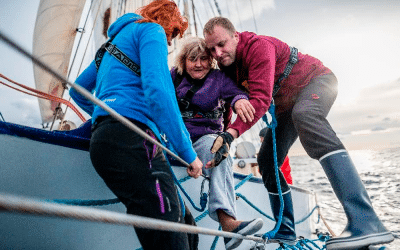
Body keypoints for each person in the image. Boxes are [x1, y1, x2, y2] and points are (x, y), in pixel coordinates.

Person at [203, 17, 394, 249]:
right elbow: (234, 102)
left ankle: (367, 222)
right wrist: (222, 137)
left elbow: (260, 100)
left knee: (306, 116)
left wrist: (232, 133)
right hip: (287, 107)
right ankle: (286, 229)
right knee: (267, 159)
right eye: (212, 49)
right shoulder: (227, 66)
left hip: (316, 81)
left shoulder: (258, 47)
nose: (218, 52)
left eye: (222, 44)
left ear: (236, 36)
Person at [69, 1, 203, 249]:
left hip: (103, 142)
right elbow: (159, 93)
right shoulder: (152, 31)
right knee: (172, 235)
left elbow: (77, 92)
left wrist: (106, 112)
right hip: (133, 140)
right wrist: (188, 153)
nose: (171, 42)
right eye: (173, 33)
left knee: (186, 224)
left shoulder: (109, 47)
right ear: (165, 20)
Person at [171, 36, 263, 250]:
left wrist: (240, 100)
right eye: (192, 59)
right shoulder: (174, 77)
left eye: (203, 58)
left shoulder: (218, 79)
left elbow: (236, 93)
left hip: (205, 141)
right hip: (175, 140)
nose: (198, 64)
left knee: (218, 149)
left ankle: (228, 225)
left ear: (210, 61)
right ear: (183, 61)